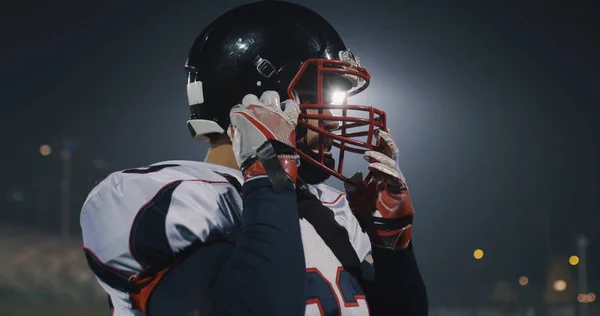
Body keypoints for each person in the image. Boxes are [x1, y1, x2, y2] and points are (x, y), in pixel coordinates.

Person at [80, 1, 427, 315]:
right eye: (319, 95)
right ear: (258, 97)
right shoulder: (167, 199)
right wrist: (270, 175)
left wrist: (392, 250)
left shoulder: (334, 208)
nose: (334, 119)